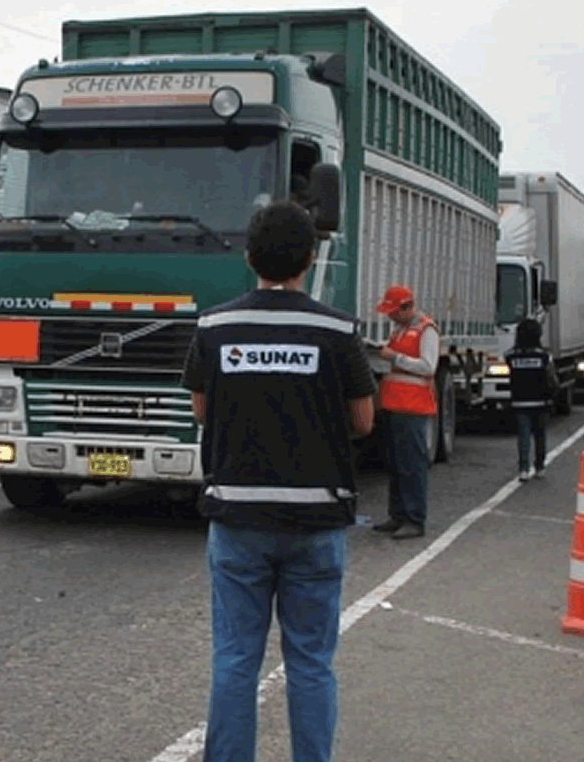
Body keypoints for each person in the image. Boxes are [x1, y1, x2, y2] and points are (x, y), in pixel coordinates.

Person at [183, 201, 376, 762]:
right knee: (312, 662)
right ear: (311, 260)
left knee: (236, 660)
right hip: (316, 517)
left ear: (249, 257)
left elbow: (200, 410)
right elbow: (364, 420)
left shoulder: (215, 326)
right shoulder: (338, 330)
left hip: (238, 517)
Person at [372, 284, 439, 540]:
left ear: (407, 307)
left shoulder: (426, 330)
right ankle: (398, 514)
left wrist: (394, 357)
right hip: (394, 404)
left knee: (412, 465)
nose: (389, 316)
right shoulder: (401, 329)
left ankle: (414, 518)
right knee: (396, 464)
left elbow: (428, 366)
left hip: (412, 406)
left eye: (392, 311)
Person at [506, 318, 559, 480]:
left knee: (523, 435)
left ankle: (523, 468)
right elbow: (552, 378)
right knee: (540, 435)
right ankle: (540, 466)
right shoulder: (544, 356)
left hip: (519, 400)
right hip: (541, 401)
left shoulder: (511, 356)